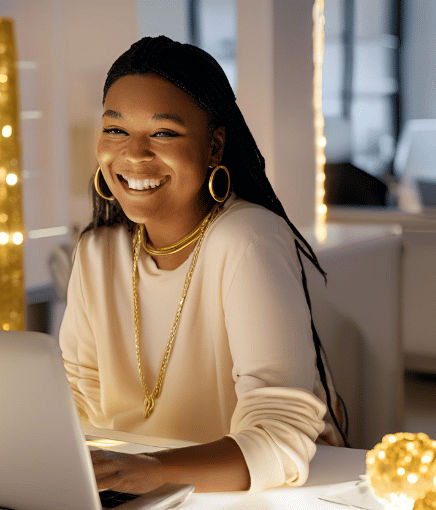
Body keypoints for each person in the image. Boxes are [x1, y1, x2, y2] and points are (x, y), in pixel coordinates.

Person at [59, 36, 347, 495]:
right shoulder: (97, 253)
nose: (133, 154)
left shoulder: (247, 238)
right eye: (115, 130)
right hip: (135, 494)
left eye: (164, 133)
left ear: (214, 147)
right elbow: (77, 403)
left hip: (244, 496)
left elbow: (281, 435)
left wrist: (150, 471)